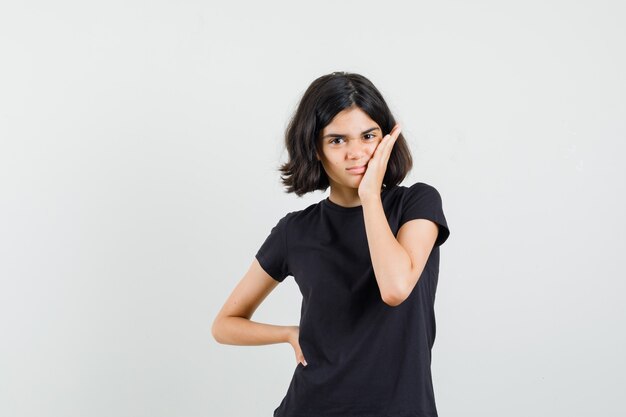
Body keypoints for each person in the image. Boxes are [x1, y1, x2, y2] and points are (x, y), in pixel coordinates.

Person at [212, 71, 451, 416]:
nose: (356, 152)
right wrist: (289, 333)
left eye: (368, 136)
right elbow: (224, 325)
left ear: (386, 139)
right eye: (337, 140)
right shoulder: (295, 231)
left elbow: (395, 288)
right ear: (316, 150)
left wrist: (370, 195)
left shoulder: (416, 205)